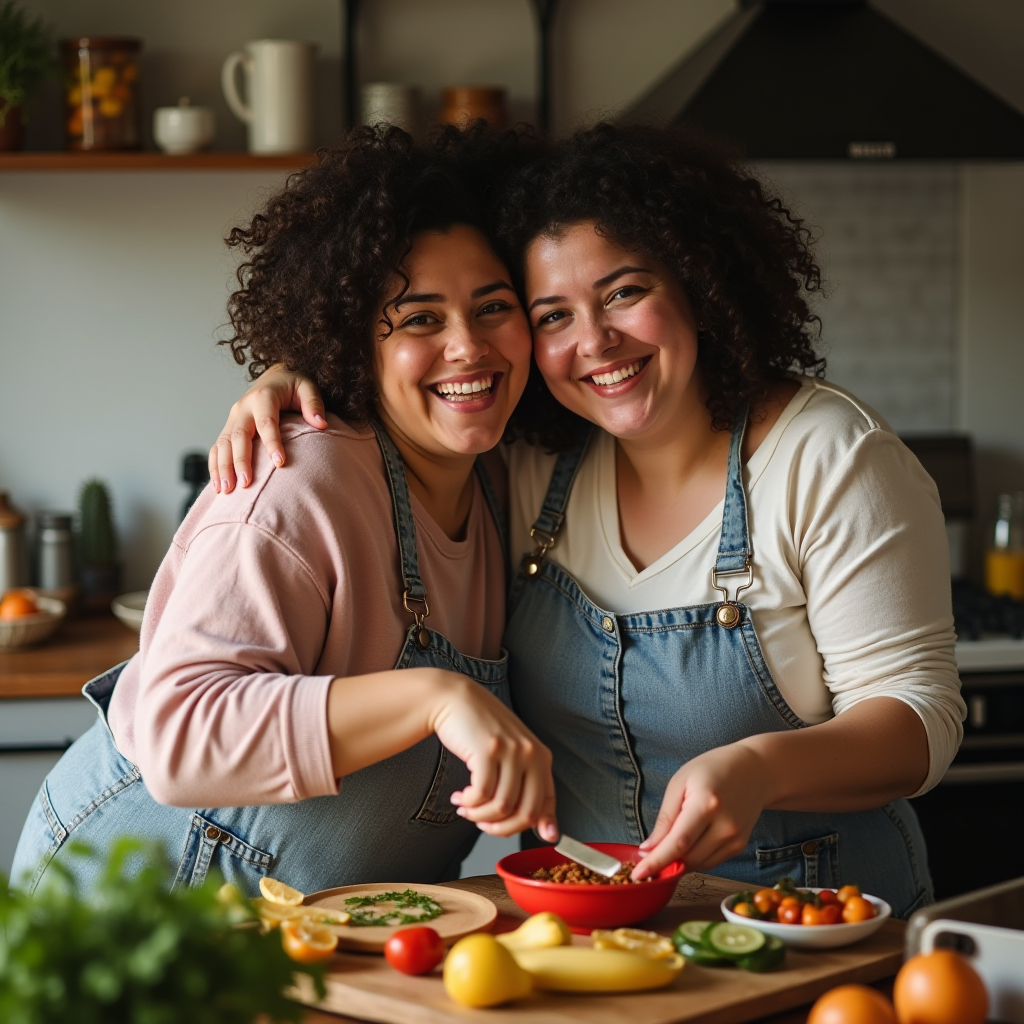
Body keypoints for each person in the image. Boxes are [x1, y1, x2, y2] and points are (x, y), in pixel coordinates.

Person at [207, 124, 966, 917]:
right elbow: (418, 383)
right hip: (599, 932)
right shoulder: (531, 464)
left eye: (625, 293)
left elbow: (919, 720)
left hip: (817, 923)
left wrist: (761, 768)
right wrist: (300, 370)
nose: (595, 342)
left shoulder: (828, 456)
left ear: (698, 285)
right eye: (553, 315)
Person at [11, 126, 558, 897]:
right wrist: (437, 696)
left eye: (493, 306)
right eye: (420, 318)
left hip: (313, 933)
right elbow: (178, 734)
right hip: (132, 900)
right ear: (352, 339)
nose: (468, 346)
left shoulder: (507, 477)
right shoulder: (303, 482)